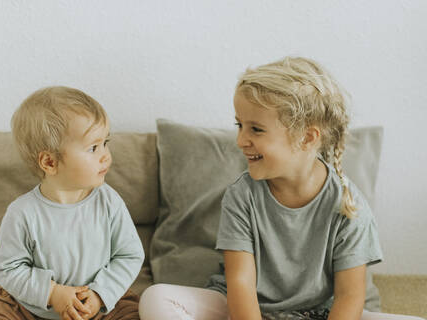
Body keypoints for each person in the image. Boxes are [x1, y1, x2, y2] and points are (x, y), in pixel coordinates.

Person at [138, 57, 423, 320]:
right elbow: (241, 283)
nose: (241, 140)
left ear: (308, 138)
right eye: (239, 125)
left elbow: (350, 295)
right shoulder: (242, 197)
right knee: (157, 299)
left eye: (256, 129)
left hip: (320, 314)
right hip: (241, 309)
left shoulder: (348, 204)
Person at [0, 86, 145, 320]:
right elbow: (7, 268)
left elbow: (129, 255)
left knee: (136, 313)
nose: (105, 155)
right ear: (50, 162)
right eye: (93, 147)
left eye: (105, 143)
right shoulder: (23, 212)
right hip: (30, 307)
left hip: (99, 305)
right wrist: (52, 293)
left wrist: (100, 295)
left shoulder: (108, 201)